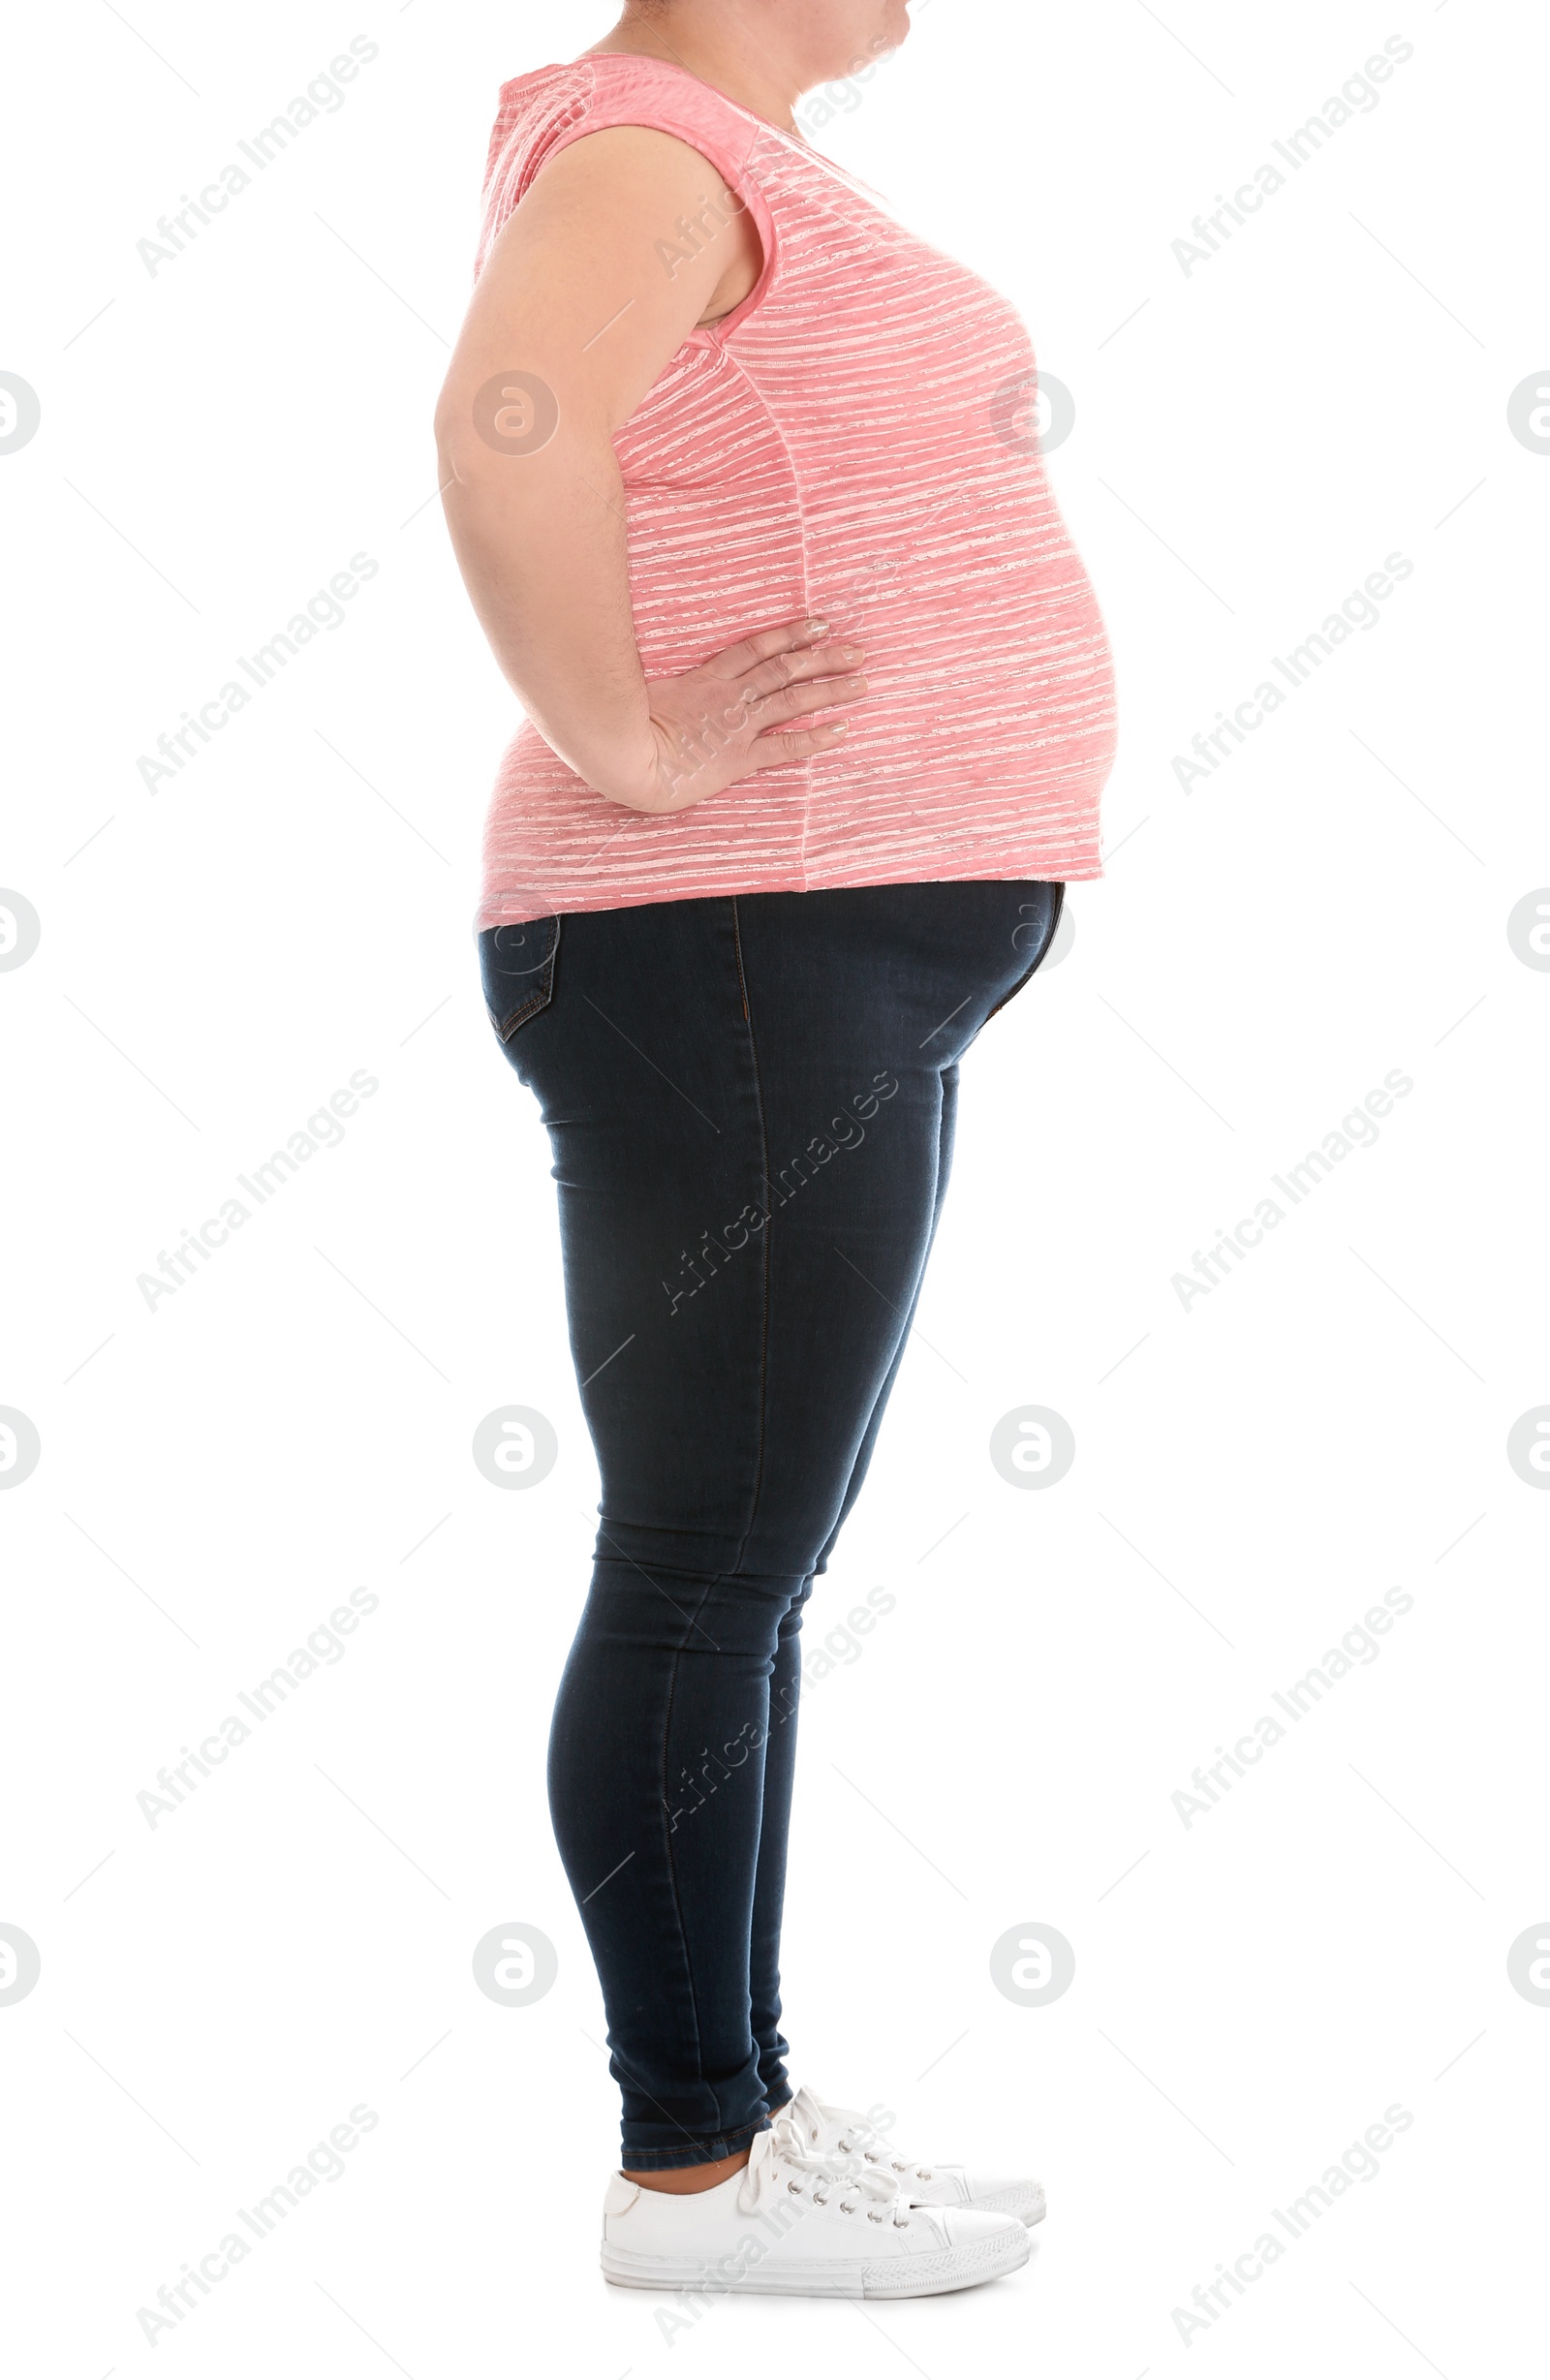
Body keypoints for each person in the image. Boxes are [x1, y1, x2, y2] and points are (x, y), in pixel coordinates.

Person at [435, 0, 1116, 2298]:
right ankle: (688, 2171)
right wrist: (622, 739)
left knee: (746, 1566)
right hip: (723, 933)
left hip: (808, 943)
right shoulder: (636, 143)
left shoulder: (734, 152)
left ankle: (730, 2108)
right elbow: (499, 424)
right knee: (706, 1560)